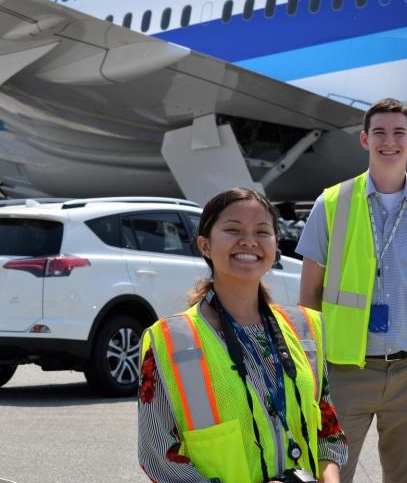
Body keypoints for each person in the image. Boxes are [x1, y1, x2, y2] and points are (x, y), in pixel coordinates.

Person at [297, 98, 407, 483]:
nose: (388, 141)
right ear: (364, 140)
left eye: (398, 133)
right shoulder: (332, 203)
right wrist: (311, 372)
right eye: (379, 133)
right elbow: (308, 297)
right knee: (329, 477)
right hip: (344, 375)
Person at [138, 187, 347, 483]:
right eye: (233, 229)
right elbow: (159, 457)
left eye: (262, 232)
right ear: (205, 245)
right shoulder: (171, 340)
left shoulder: (305, 327)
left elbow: (329, 432)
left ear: (275, 246)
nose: (249, 240)